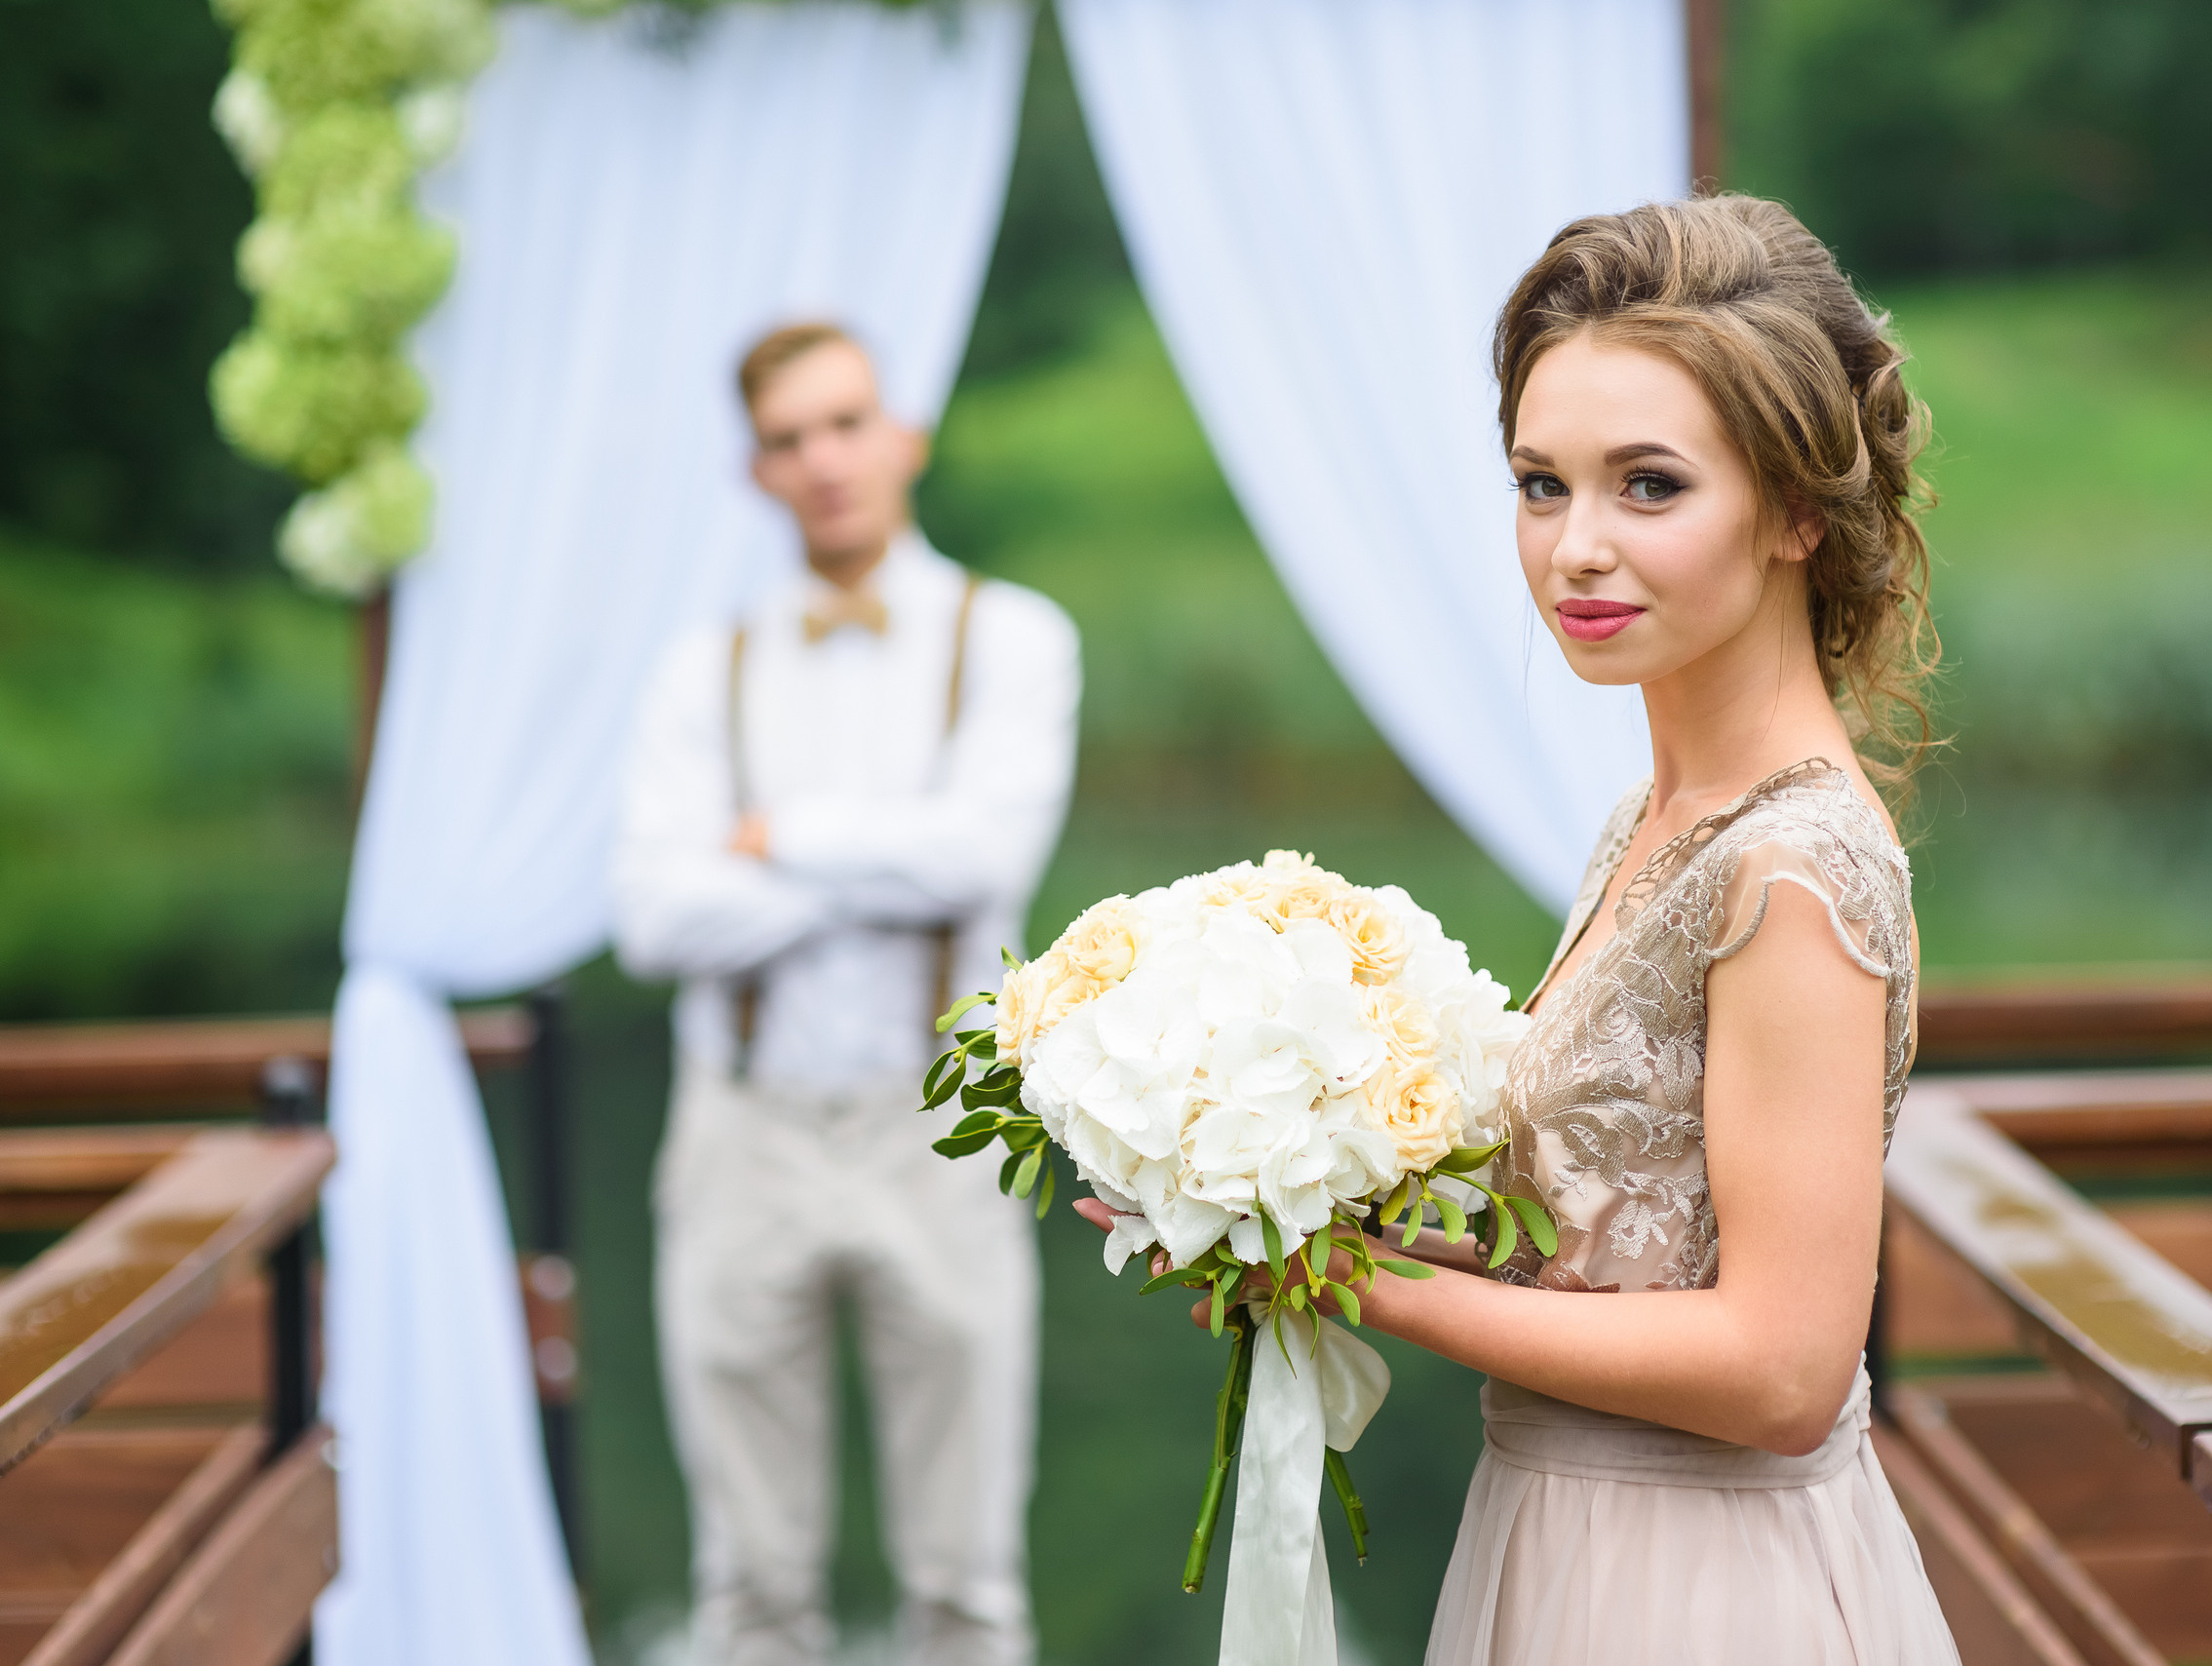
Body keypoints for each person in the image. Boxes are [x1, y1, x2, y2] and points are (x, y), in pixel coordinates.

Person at [1085, 194, 1960, 1661]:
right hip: (1567, 1529)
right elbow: (1619, 1243)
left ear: (1801, 507)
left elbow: (1782, 1366)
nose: (1577, 548)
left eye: (1651, 486)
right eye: (1542, 484)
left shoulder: (1793, 869)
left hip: (1699, 1584)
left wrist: (1360, 1281)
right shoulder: (1658, 818)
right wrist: (1281, 1205)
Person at [614, 321, 1080, 1666]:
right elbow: (654, 915)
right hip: (738, 1131)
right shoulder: (702, 668)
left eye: (845, 422)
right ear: (754, 471)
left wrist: (775, 836)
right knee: (749, 1586)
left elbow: (988, 853)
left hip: (943, 1130)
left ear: (903, 436)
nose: (823, 459)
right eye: (787, 438)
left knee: (967, 1581)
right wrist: (891, 859)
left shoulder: (1015, 640)